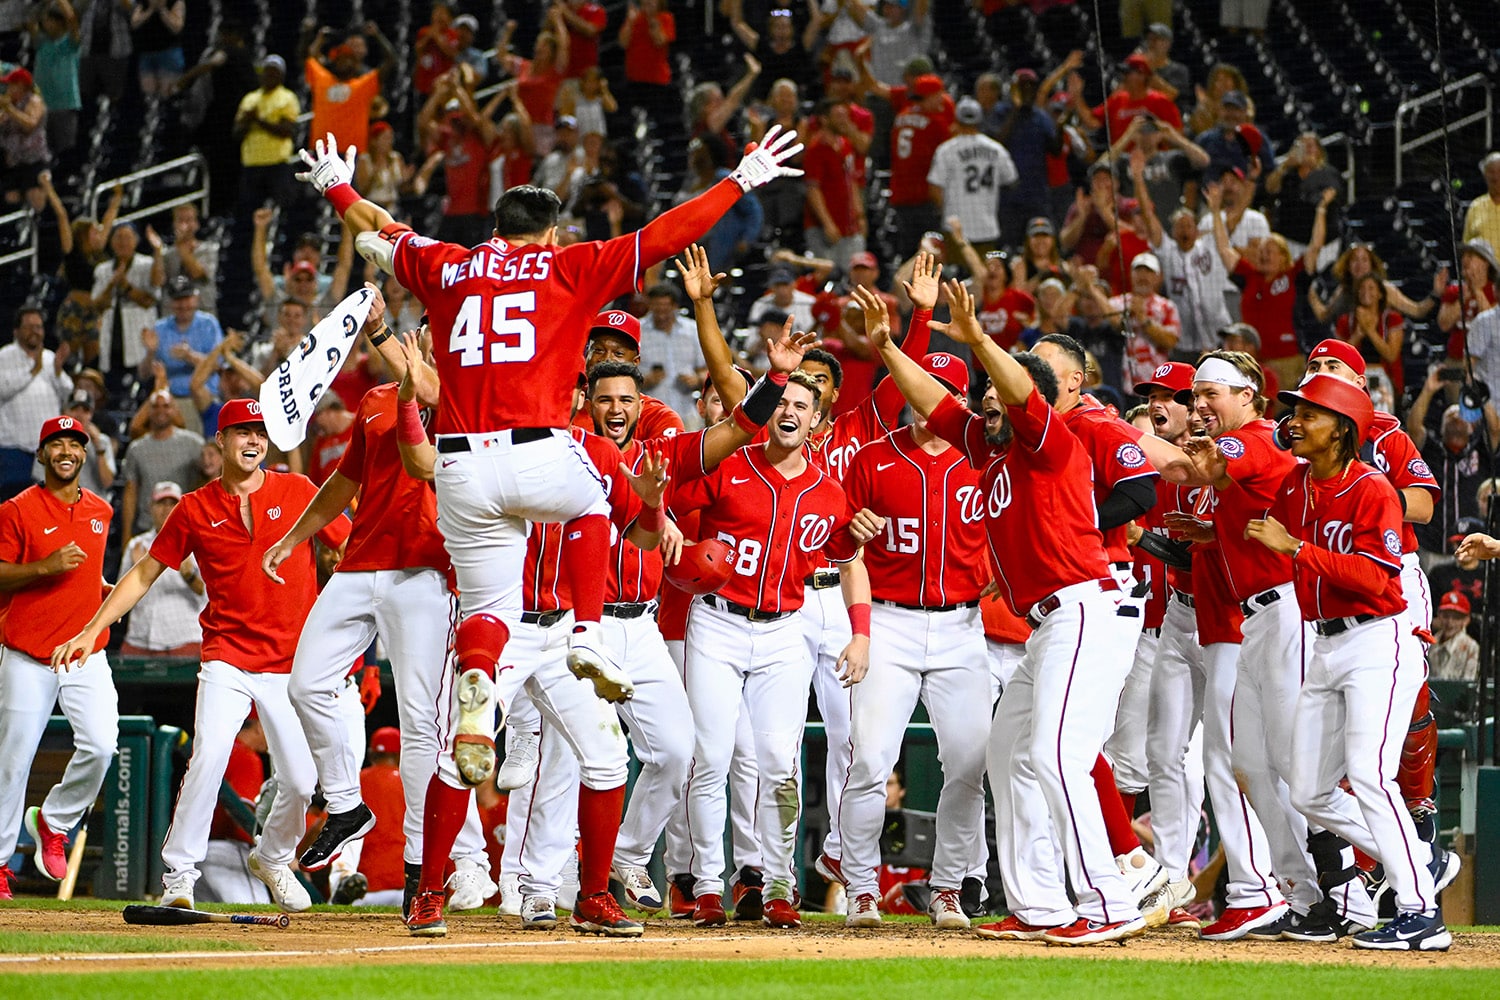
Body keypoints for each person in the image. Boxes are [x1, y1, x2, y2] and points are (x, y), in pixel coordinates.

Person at [296, 121, 804, 800]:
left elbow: (377, 224)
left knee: (485, 610)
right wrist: (740, 181)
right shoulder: (567, 265)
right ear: (552, 232)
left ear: (495, 228)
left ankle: (479, 690)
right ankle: (589, 636)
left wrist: (335, 184)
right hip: (536, 450)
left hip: (460, 467)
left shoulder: (448, 263)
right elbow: (665, 235)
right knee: (595, 495)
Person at [875, 280, 1145, 946]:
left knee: (1056, 756)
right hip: (1048, 624)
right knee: (1007, 756)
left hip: (1085, 607)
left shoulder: (1050, 441)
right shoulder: (987, 447)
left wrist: (979, 340)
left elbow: (1022, 390)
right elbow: (931, 401)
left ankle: (1110, 903)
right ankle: (1041, 907)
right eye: (984, 395)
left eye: (1000, 394)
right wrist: (885, 345)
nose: (988, 400)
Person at [52, 399, 351, 912]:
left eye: (260, 432)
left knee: (302, 782)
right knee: (210, 753)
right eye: (241, 433)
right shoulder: (194, 507)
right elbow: (145, 572)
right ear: (220, 441)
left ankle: (273, 857)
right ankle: (179, 877)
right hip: (226, 656)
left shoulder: (300, 491)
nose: (253, 441)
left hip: (289, 661)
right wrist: (92, 627)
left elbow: (351, 547)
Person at [261, 303, 497, 914]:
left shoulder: (471, 397)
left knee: (425, 723)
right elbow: (344, 481)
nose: (429, 338)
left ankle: (433, 863)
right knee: (306, 683)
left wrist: (390, 338)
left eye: (438, 331)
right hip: (360, 560)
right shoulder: (373, 400)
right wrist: (294, 537)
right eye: (427, 329)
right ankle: (346, 805)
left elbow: (434, 393)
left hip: (425, 569)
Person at [1247, 374, 1449, 952]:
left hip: (1375, 642)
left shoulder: (1372, 488)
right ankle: (1415, 858)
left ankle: (1418, 910)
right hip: (1324, 645)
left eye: (1308, 414)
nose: (1295, 422)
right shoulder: (1297, 484)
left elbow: (1376, 577)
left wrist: (1298, 551)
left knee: (1369, 775)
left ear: (1341, 428)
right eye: (1295, 412)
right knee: (1310, 790)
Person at [670, 371, 878, 930]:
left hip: (786, 630)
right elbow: (667, 498)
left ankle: (777, 886)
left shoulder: (829, 492)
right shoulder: (732, 466)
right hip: (717, 624)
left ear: (816, 421)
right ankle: (709, 884)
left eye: (802, 406)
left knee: (779, 765)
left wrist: (854, 550)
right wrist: (674, 537)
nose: (789, 411)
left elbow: (837, 557)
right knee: (712, 756)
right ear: (767, 410)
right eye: (781, 401)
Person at [839, 288, 988, 931]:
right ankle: (862, 885)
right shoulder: (871, 459)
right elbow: (836, 548)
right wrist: (851, 535)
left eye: (944, 394)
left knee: (969, 764)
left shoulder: (982, 460)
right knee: (869, 760)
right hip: (892, 622)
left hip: (963, 626)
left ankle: (949, 886)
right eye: (925, 386)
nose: (932, 402)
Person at [0, 415, 116, 898]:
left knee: (103, 745)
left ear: (85, 455)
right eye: (57, 444)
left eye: (75, 443)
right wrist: (45, 567)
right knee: (13, 760)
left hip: (84, 650)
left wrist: (101, 590)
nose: (66, 451)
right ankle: (0, 865)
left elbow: (88, 574)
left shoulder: (101, 511)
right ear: (42, 454)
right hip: (27, 652)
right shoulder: (16, 509)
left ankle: (54, 819)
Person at [118, 480, 204, 658]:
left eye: (172, 504)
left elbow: (207, 594)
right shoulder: (137, 545)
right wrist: (135, 572)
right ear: (151, 507)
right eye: (161, 503)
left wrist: (188, 574)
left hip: (184, 638)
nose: (166, 509)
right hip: (140, 638)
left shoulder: (198, 542)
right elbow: (120, 600)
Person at [0, 307, 73, 501]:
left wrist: (57, 371)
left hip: (46, 451)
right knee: (12, 508)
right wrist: (33, 370)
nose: (35, 331)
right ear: (16, 331)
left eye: (39, 327)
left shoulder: (49, 358)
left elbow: (67, 392)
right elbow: (3, 389)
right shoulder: (4, 356)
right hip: (14, 450)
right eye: (29, 327)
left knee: (47, 508)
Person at [927, 98, 1017, 251]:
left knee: (955, 274)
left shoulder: (946, 150)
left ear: (957, 119)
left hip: (955, 228)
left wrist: (947, 210)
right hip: (987, 227)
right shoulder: (996, 149)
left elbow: (934, 189)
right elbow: (1011, 180)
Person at [119, 390, 204, 541]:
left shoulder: (194, 444)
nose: (161, 411)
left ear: (175, 409)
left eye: (166, 406)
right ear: (148, 411)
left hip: (185, 528)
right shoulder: (136, 448)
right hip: (146, 528)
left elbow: (207, 481)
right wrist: (126, 536)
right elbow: (130, 493)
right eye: (156, 406)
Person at [234, 55, 300, 216]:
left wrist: (258, 120)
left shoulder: (287, 97)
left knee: (284, 209)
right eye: (266, 71)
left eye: (273, 72)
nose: (269, 75)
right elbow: (236, 133)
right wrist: (247, 121)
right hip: (252, 163)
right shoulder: (250, 99)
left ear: (281, 75)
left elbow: (287, 130)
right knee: (247, 211)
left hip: (277, 163)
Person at [1427, 590, 1479, 683]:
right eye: (1446, 616)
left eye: (1456, 618)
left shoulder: (1471, 647)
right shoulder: (1430, 644)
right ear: (1439, 615)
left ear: (1466, 620)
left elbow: (1469, 683)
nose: (1450, 622)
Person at [1462, 152, 1500, 251]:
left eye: (1499, 171)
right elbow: (1467, 244)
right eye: (1491, 172)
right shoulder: (1475, 206)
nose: (1495, 177)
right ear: (1485, 175)